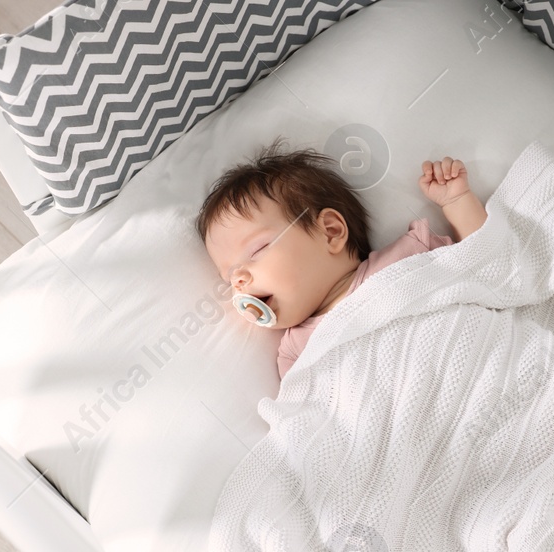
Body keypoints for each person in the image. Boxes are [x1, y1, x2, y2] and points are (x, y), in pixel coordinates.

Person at [197, 143, 487, 377]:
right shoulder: (296, 354)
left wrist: (457, 201)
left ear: (331, 232)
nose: (238, 280)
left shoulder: (409, 254)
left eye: (256, 250)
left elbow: (486, 260)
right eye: (230, 277)